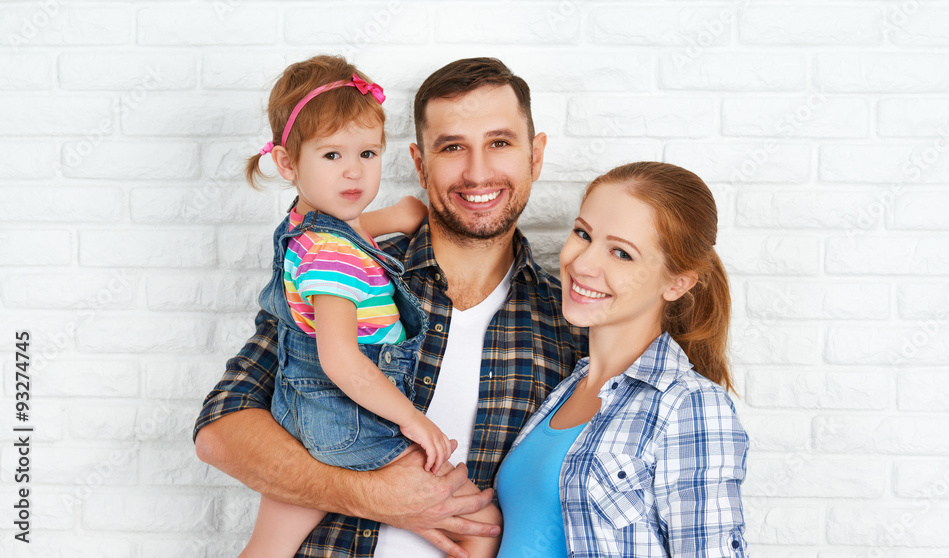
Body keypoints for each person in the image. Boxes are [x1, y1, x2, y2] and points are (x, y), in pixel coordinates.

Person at [193, 57, 586, 558]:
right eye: (452, 147)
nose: (478, 171)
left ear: (535, 155)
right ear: (420, 163)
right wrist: (373, 496)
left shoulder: (571, 321)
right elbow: (221, 430)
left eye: (500, 143)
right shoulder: (348, 271)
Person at [235, 55, 500, 558]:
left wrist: (396, 216)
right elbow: (341, 360)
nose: (354, 171)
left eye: (368, 154)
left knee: (268, 547)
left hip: (300, 413)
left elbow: (345, 232)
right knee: (479, 518)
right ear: (288, 163)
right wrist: (413, 421)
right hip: (347, 418)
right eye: (332, 156)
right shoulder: (334, 259)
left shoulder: (308, 227)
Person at [495, 162, 749, 557]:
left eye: (621, 253)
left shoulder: (689, 406)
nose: (582, 264)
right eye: (583, 234)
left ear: (676, 282)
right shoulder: (565, 389)